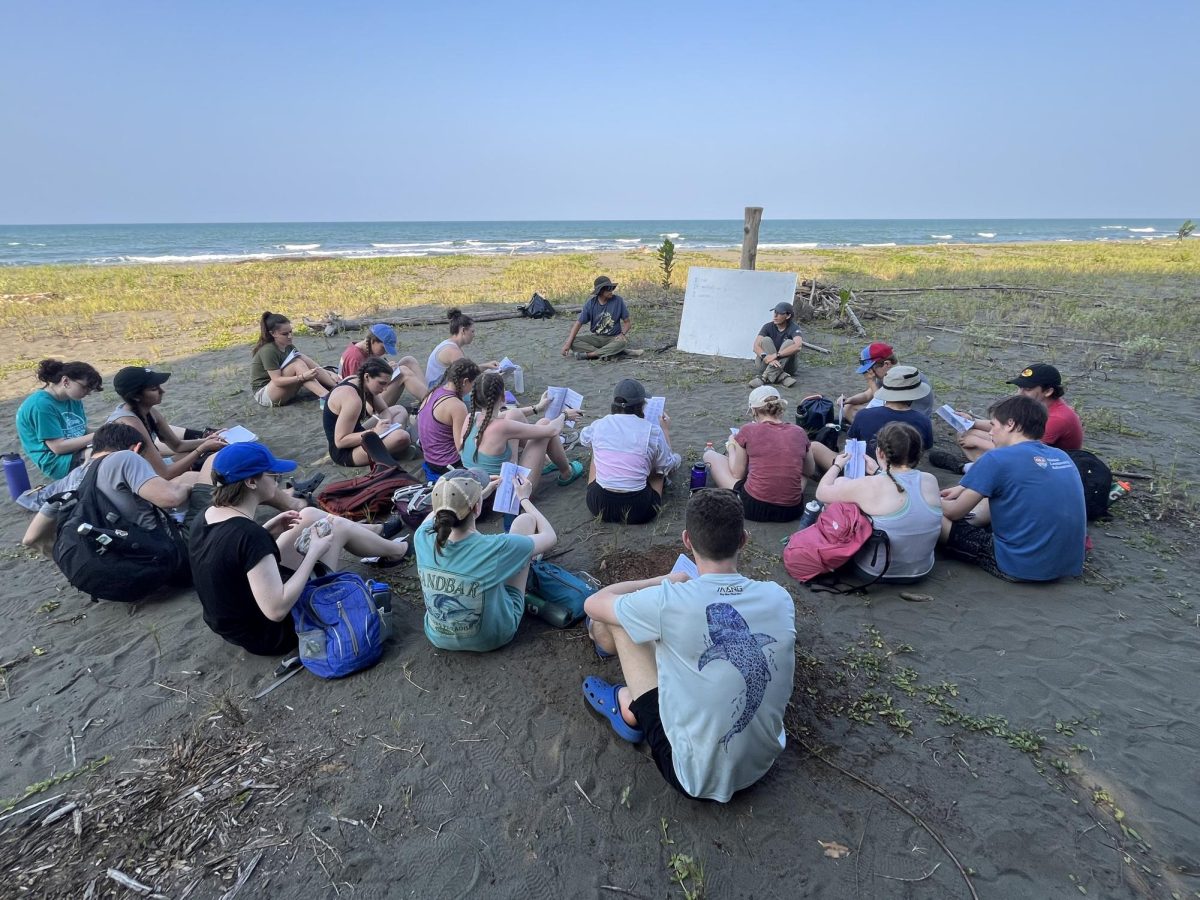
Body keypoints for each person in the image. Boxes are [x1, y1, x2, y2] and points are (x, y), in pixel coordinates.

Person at [582, 488, 796, 803]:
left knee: (618, 623)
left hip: (693, 777)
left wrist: (662, 581)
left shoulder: (670, 600)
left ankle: (627, 706)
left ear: (686, 540)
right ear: (743, 539)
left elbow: (594, 602)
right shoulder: (779, 597)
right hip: (762, 762)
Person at [189, 442, 408, 656]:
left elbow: (231, 554)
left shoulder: (207, 515)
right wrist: (313, 553)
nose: (277, 483)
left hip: (237, 618)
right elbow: (276, 611)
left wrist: (268, 531)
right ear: (251, 482)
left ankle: (375, 531)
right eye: (273, 475)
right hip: (271, 633)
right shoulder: (248, 535)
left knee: (309, 515)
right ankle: (399, 551)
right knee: (336, 529)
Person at [939, 395, 1086, 582]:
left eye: (993, 425)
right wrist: (961, 489)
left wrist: (928, 497)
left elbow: (953, 513)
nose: (990, 432)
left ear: (1010, 424)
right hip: (1066, 565)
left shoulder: (997, 458)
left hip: (1019, 566)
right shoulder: (1062, 456)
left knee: (934, 515)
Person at [413, 468, 557, 652]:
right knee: (525, 521)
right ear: (477, 507)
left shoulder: (421, 536)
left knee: (489, 565)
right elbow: (550, 536)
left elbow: (439, 511)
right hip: (494, 637)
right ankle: (528, 557)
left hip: (438, 636)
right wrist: (524, 498)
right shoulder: (497, 547)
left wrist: (472, 496)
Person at [28, 422, 196, 563]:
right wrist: (190, 488)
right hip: (163, 550)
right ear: (136, 449)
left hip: (121, 559)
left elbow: (32, 538)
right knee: (193, 477)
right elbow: (171, 499)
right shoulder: (125, 457)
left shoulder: (67, 481)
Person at [815, 422, 943, 583]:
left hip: (874, 571)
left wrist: (836, 465)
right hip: (922, 570)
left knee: (839, 487)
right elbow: (900, 489)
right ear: (918, 453)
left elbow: (821, 493)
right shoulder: (930, 480)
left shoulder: (871, 485)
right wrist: (878, 471)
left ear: (880, 453)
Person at [935, 363, 1085, 473]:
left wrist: (978, 441)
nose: (1019, 393)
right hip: (1028, 451)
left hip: (1046, 465)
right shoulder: (1036, 405)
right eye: (1019, 387)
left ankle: (971, 469)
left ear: (1048, 391)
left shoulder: (1057, 418)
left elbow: (1026, 453)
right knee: (966, 432)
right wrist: (972, 422)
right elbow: (1008, 427)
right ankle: (982, 467)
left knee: (973, 439)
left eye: (1027, 389)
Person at [579, 378, 680, 524]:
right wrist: (665, 430)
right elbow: (666, 466)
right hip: (639, 509)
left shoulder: (600, 424)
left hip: (598, 505)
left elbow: (584, 438)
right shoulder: (652, 431)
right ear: (642, 405)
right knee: (658, 470)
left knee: (596, 447)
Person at [703, 385, 808, 522]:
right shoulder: (799, 432)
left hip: (753, 508)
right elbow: (809, 470)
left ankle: (712, 453)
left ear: (753, 410)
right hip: (792, 511)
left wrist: (731, 446)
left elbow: (737, 473)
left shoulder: (749, 430)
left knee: (710, 456)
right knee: (803, 475)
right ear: (780, 407)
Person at [460, 372, 584, 487]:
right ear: (503, 397)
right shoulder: (503, 427)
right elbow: (552, 430)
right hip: (508, 495)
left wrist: (537, 408)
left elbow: (512, 413)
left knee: (515, 414)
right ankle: (567, 472)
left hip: (478, 488)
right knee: (544, 423)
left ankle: (547, 460)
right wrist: (565, 415)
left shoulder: (470, 418)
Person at [107, 366, 229, 480]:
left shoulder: (148, 411)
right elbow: (164, 474)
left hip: (150, 468)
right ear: (135, 396)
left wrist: (208, 441)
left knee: (205, 455)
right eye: (154, 389)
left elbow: (178, 446)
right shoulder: (130, 424)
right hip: (131, 479)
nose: (162, 391)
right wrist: (201, 449)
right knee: (206, 463)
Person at [16, 359, 102, 481]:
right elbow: (58, 447)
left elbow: (81, 430)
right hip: (56, 461)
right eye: (85, 387)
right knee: (108, 456)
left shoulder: (73, 398)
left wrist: (109, 429)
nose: (88, 393)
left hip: (75, 449)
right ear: (66, 381)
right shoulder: (41, 405)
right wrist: (100, 435)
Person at [323, 358, 412, 467]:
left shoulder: (359, 382)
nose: (384, 389)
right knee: (402, 437)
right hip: (345, 452)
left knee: (399, 410)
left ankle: (390, 446)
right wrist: (375, 431)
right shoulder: (353, 400)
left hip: (357, 433)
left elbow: (384, 410)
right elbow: (340, 441)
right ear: (367, 376)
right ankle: (393, 448)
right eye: (381, 383)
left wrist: (386, 424)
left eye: (387, 384)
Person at [250, 311, 339, 407]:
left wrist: (329, 373)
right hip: (265, 395)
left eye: (290, 332)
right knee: (297, 363)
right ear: (273, 333)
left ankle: (338, 386)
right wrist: (302, 377)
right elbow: (277, 381)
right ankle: (326, 397)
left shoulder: (288, 346)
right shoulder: (268, 350)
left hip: (283, 388)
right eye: (285, 334)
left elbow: (307, 363)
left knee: (300, 357)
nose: (290, 336)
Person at [416, 358, 480, 478]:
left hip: (430, 458)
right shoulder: (456, 405)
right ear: (465, 381)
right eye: (473, 385)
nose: (473, 389)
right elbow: (461, 447)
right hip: (446, 464)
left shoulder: (434, 392)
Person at [840, 342, 934, 422]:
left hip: (911, 420)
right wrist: (849, 400)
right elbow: (867, 395)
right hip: (896, 413)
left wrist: (871, 381)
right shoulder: (888, 375)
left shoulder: (901, 378)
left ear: (887, 364)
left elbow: (883, 404)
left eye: (870, 369)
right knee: (848, 407)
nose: (870, 373)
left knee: (862, 417)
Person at [338, 323, 427, 406]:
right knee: (403, 373)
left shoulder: (366, 348)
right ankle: (430, 402)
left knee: (408, 361)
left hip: (373, 390)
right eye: (383, 348)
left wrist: (387, 368)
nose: (385, 352)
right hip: (366, 404)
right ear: (373, 341)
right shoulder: (355, 358)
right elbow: (357, 392)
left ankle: (429, 395)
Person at [561, 275, 642, 361]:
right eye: (608, 289)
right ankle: (614, 352)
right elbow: (578, 323)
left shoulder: (618, 301)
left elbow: (627, 323)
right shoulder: (591, 304)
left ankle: (591, 355)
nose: (611, 291)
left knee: (622, 342)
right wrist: (568, 344)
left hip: (614, 338)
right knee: (573, 342)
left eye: (612, 288)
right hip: (597, 338)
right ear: (600, 291)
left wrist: (622, 334)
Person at [425, 309, 498, 389]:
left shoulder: (450, 345)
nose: (474, 335)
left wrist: (487, 366)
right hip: (438, 391)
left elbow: (468, 371)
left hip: (438, 386)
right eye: (472, 331)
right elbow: (468, 376)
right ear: (463, 330)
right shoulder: (453, 351)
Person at [749, 302, 803, 388]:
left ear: (788, 316)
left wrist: (776, 356)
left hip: (787, 366)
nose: (775, 316)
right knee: (765, 340)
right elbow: (755, 346)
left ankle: (764, 378)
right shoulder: (767, 327)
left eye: (779, 313)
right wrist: (766, 357)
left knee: (790, 343)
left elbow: (798, 346)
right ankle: (782, 376)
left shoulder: (794, 328)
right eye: (775, 312)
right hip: (765, 363)